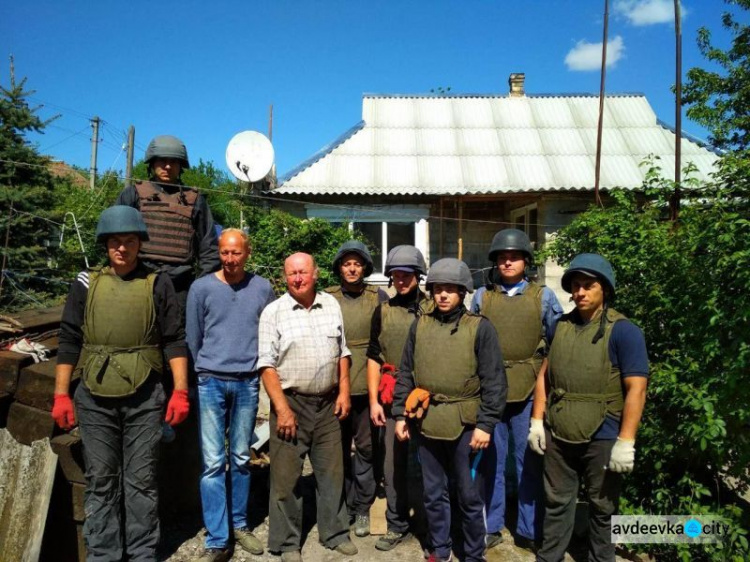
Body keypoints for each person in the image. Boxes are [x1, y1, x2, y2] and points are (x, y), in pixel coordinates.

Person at [51, 206, 190, 561]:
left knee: (141, 481)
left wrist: (180, 392)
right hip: (94, 397)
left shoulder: (158, 283)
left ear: (139, 244)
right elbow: (68, 339)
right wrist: (62, 395)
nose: (123, 248)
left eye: (129, 241)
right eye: (116, 241)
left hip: (145, 396)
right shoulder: (86, 283)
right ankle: (103, 555)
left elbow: (175, 340)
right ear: (105, 244)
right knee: (101, 479)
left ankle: (142, 554)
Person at [528, 253, 648, 562]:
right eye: (576, 286)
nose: (580, 292)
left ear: (604, 289)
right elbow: (545, 376)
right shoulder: (559, 327)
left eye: (588, 285)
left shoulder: (624, 331)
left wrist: (626, 441)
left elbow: (637, 388)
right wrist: (537, 422)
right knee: (557, 503)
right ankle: (549, 557)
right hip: (559, 430)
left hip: (604, 433)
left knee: (603, 508)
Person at [393, 258, 507, 562]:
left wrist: (486, 425)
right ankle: (440, 551)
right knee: (433, 494)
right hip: (427, 421)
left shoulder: (480, 328)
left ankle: (473, 555)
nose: (443, 295)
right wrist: (401, 415)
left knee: (470, 497)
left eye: (451, 290)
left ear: (463, 292)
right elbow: (406, 372)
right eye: (438, 289)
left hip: (467, 425)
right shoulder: (420, 325)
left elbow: (494, 381)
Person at [258, 253, 358, 562]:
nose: (297, 278)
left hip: (328, 403)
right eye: (291, 274)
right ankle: (288, 543)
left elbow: (342, 352)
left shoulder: (331, 304)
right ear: (285, 277)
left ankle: (335, 532)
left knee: (332, 472)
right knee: (286, 478)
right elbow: (266, 365)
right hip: (291, 403)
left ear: (315, 274)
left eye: (302, 272)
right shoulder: (273, 312)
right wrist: (282, 410)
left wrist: (344, 392)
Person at [186, 229, 276, 562]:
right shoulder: (201, 288)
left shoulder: (262, 288)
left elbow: (269, 332)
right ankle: (217, 537)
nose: (230, 259)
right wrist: (205, 371)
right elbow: (193, 338)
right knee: (212, 463)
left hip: (247, 382)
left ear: (247, 253)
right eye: (224, 252)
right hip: (211, 381)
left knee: (240, 457)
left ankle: (239, 524)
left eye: (236, 253)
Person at [471, 229, 563, 550]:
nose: (507, 261)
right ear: (495, 262)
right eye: (502, 257)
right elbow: (471, 341)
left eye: (514, 256)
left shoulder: (544, 297)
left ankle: (529, 528)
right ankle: (490, 525)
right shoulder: (482, 296)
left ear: (526, 261)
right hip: (491, 388)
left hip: (529, 389)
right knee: (489, 461)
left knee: (529, 462)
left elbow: (557, 343)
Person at [366, 245, 430, 551]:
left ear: (418, 275)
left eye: (407, 274)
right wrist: (374, 402)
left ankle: (432, 524)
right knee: (393, 467)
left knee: (431, 467)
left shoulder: (433, 309)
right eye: (396, 274)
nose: (401, 279)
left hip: (430, 400)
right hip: (393, 400)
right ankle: (397, 523)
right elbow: (373, 358)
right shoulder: (383, 311)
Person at [324, 240, 388, 537]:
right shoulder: (326, 297)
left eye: (357, 263)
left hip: (367, 385)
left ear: (365, 267)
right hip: (334, 386)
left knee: (365, 448)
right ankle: (340, 506)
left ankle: (362, 507)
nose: (351, 268)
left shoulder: (378, 297)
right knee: (335, 449)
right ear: (339, 267)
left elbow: (388, 337)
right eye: (346, 263)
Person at [115, 134, 220, 313]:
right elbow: (114, 239)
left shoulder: (195, 200)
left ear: (181, 167)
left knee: (179, 340)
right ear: (152, 163)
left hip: (180, 289)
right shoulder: (133, 195)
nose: (168, 166)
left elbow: (209, 248)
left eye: (174, 162)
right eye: (162, 161)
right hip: (137, 284)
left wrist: (198, 285)